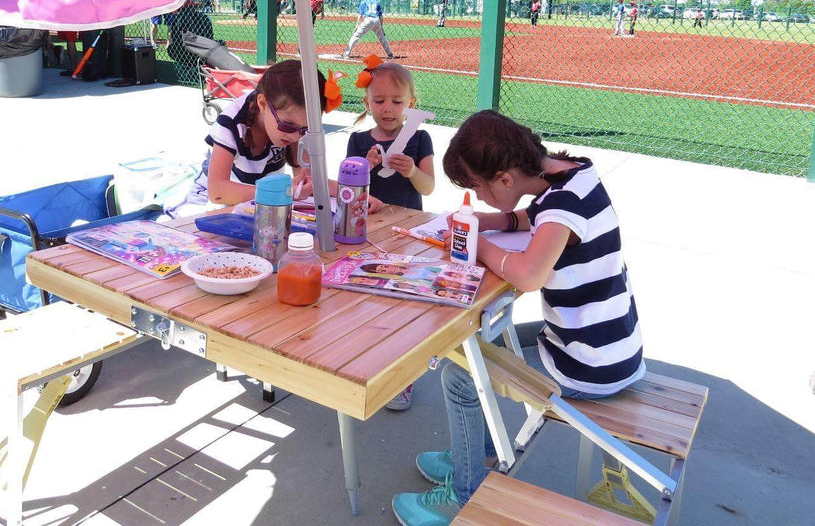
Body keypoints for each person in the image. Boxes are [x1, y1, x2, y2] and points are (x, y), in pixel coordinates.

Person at [392, 110, 645, 525]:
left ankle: (464, 496)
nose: (481, 196)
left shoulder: (561, 204)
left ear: (506, 179)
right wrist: (493, 220)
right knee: (475, 345)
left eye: (479, 188)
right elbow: (540, 215)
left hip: (589, 364)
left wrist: (478, 244)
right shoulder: (573, 174)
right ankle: (475, 454)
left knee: (459, 373)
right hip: (606, 343)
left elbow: (527, 275)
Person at [347, 57, 435, 411]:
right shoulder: (357, 140)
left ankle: (403, 376)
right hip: (370, 229)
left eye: (397, 102)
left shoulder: (419, 138)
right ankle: (367, 360)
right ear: (366, 103)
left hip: (409, 232)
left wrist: (412, 170)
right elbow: (349, 189)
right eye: (379, 101)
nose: (388, 109)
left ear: (410, 104)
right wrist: (363, 167)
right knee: (368, 298)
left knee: (405, 302)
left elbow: (428, 188)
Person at [177, 60, 354, 212]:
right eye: (287, 125)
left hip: (262, 204)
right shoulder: (232, 124)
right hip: (212, 205)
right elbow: (217, 191)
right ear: (262, 103)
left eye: (304, 130)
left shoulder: (294, 127)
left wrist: (353, 193)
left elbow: (309, 182)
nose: (295, 136)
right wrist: (282, 191)